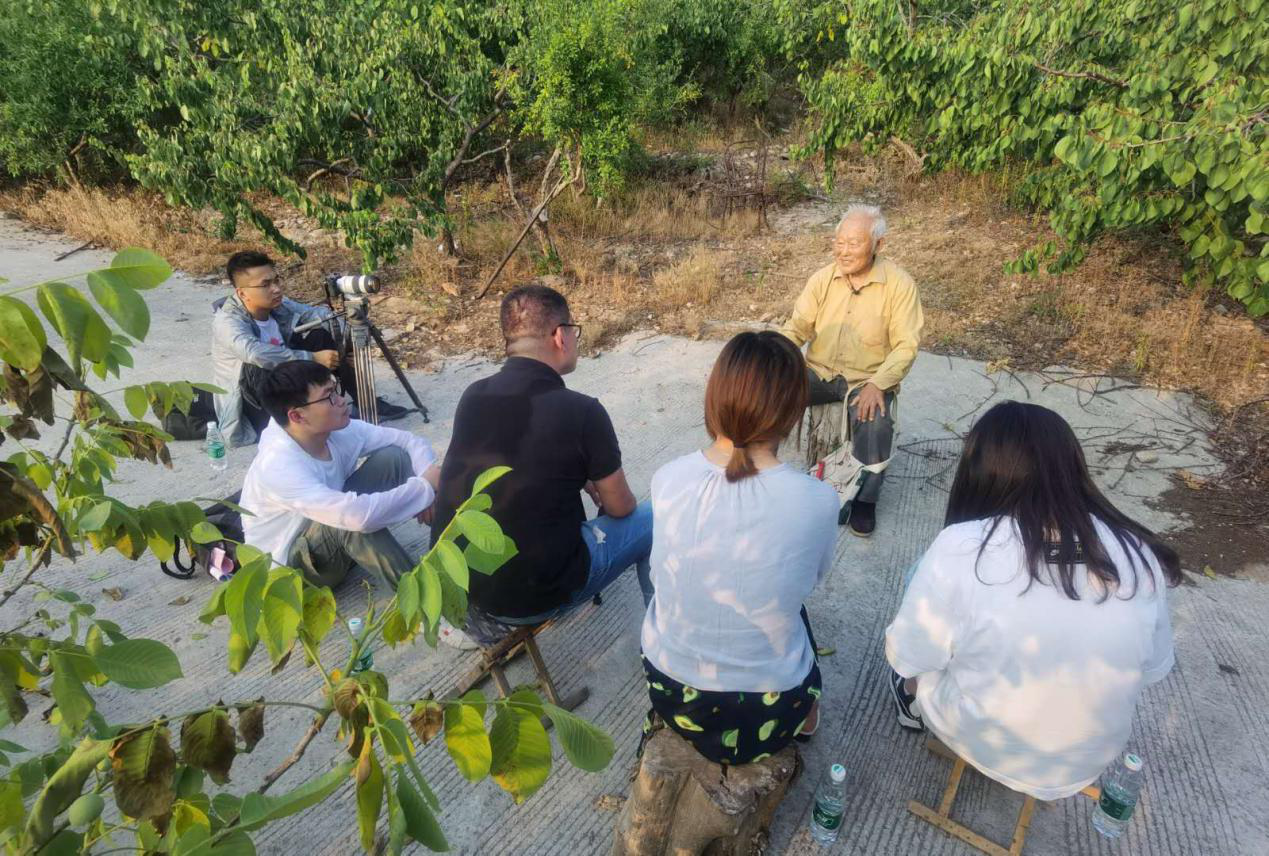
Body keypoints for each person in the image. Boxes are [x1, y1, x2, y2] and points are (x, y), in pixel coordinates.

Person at [884, 401, 1180, 800]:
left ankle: (911, 705)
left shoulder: (961, 546)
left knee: (919, 596)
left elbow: (907, 656)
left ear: (979, 472)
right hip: (1089, 757)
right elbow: (1153, 668)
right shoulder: (1136, 552)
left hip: (988, 743)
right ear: (1072, 467)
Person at [640, 331, 839, 765]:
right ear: (793, 412)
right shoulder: (819, 500)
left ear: (714, 396)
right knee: (796, 612)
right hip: (770, 712)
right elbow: (812, 580)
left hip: (673, 694)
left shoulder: (668, 477)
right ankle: (806, 719)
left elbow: (659, 574)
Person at [431, 284, 653, 630]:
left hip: (465, 589)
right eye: (574, 331)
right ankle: (663, 642)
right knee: (653, 519)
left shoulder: (473, 395)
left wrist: (579, 471)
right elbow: (621, 507)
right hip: (533, 599)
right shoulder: (583, 412)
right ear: (561, 336)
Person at [781, 203, 923, 537]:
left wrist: (879, 383)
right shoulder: (822, 278)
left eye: (853, 243)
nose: (843, 251)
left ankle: (864, 501)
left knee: (875, 419)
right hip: (819, 373)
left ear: (878, 244)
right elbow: (798, 327)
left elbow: (906, 345)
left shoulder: (899, 285)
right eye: (839, 242)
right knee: (765, 391)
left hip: (865, 380)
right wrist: (772, 356)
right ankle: (759, 470)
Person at [239, 360, 439, 590]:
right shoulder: (279, 465)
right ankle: (425, 598)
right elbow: (356, 517)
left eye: (336, 389)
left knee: (395, 457)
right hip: (292, 574)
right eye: (329, 397)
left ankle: (458, 543)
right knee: (351, 522)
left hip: (326, 540)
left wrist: (427, 484)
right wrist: (422, 489)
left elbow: (408, 441)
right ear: (297, 416)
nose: (342, 400)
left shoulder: (333, 428)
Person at [211, 250, 409, 448]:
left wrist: (348, 344)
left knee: (320, 335)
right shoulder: (227, 321)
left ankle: (364, 403)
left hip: (286, 380)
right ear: (242, 293)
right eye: (266, 284)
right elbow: (254, 352)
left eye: (276, 280)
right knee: (257, 366)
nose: (276, 289)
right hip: (252, 400)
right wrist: (312, 358)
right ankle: (303, 419)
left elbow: (318, 315)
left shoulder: (278, 304)